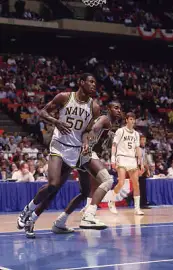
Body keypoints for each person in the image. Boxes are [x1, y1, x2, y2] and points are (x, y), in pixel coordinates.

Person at [17, 73, 115, 238]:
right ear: (81, 82)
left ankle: (32, 219)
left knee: (56, 190)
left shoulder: (94, 107)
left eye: (95, 83)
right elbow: (42, 112)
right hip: (58, 145)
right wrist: (56, 122)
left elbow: (87, 132)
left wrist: (85, 142)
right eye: (90, 82)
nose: (93, 85)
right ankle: (27, 210)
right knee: (53, 184)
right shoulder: (64, 97)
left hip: (74, 150)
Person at [52, 101, 121, 233]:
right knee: (108, 180)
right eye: (116, 108)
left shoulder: (109, 124)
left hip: (80, 153)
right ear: (109, 108)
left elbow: (98, 138)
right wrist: (86, 142)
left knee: (84, 193)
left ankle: (60, 222)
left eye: (120, 108)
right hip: (84, 150)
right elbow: (93, 128)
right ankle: (89, 216)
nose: (118, 110)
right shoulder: (105, 119)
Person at [110, 112, 144, 215]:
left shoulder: (136, 134)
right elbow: (114, 145)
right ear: (126, 120)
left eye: (134, 119)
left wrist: (140, 162)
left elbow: (137, 148)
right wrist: (113, 159)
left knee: (136, 184)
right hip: (121, 157)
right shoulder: (120, 131)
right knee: (121, 182)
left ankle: (137, 208)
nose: (132, 121)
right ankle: (111, 202)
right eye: (130, 119)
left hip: (132, 159)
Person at [139, 135, 151, 209]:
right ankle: (142, 204)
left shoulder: (144, 149)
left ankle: (143, 202)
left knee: (143, 187)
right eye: (142, 140)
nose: (144, 141)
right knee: (140, 187)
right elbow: (140, 161)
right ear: (139, 141)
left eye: (145, 140)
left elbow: (145, 160)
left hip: (143, 169)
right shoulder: (137, 149)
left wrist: (147, 170)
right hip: (139, 169)